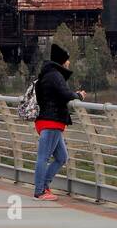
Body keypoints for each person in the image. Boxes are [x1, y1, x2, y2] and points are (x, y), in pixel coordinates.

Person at [32, 43, 86, 201]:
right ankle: (40, 191)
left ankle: (45, 185)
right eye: (67, 60)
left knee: (62, 156)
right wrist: (79, 96)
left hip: (47, 120)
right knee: (43, 157)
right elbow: (65, 94)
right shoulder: (55, 75)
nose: (69, 63)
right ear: (62, 60)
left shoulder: (45, 74)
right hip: (51, 121)